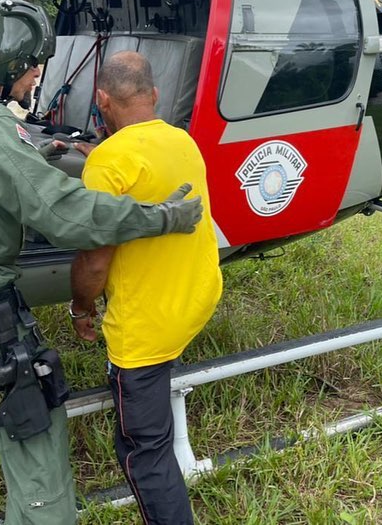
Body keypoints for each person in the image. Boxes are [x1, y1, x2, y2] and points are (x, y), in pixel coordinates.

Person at [0, 0, 204, 525]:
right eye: (33, 65)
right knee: (40, 457)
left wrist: (30, 155)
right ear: (7, 61)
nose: (36, 77)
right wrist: (162, 218)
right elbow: (65, 214)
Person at [70, 51, 223, 525]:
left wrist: (80, 308)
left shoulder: (108, 163)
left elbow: (94, 261)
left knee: (144, 450)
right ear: (154, 96)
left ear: (101, 101)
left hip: (147, 329)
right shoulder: (183, 141)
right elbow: (149, 180)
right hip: (197, 298)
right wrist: (102, 156)